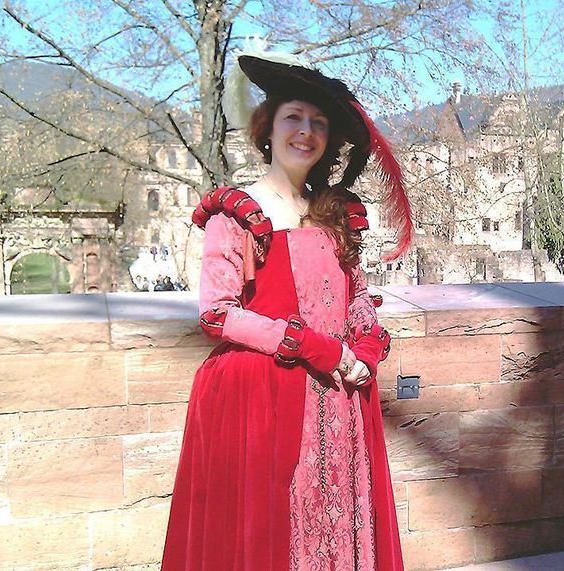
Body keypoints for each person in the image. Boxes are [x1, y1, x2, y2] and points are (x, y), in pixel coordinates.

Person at [161, 40, 411, 571]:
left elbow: (356, 295)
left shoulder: (335, 212)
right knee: (269, 537)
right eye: (293, 117)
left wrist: (363, 345)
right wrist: (317, 348)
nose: (306, 131)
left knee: (336, 528)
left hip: (338, 399)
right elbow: (218, 314)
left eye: (319, 122)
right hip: (263, 396)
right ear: (268, 129)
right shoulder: (239, 213)